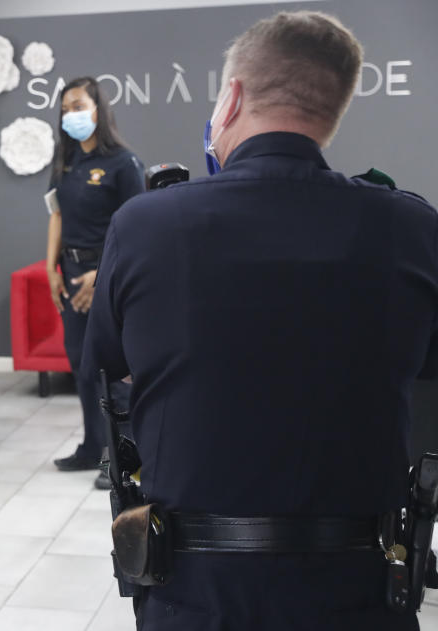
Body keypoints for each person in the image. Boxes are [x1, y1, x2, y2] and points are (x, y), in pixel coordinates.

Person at [83, 11, 433, 630]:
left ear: (233, 96)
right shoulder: (410, 229)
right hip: (358, 588)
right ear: (335, 108)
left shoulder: (147, 226)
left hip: (193, 593)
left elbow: (106, 370)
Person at [46, 76, 144, 489]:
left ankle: (122, 459)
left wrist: (99, 275)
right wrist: (51, 268)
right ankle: (90, 447)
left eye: (79, 106)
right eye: (66, 108)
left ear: (99, 110)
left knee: (113, 372)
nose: (73, 115)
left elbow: (134, 228)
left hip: (107, 277)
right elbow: (57, 215)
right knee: (83, 369)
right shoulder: (65, 162)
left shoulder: (124, 162)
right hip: (69, 276)